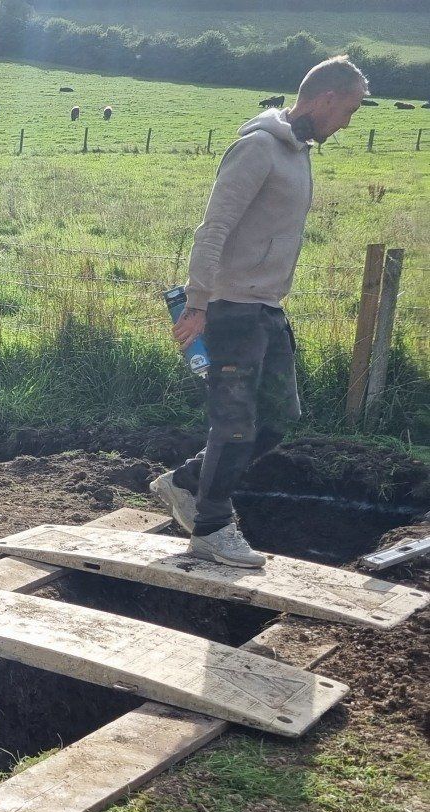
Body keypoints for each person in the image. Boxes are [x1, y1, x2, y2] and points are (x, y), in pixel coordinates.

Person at [150, 55, 369, 568]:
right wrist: (199, 302)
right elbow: (213, 230)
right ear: (326, 99)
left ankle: (185, 482)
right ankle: (211, 527)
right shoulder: (258, 147)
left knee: (278, 418)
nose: (350, 121)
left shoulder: (298, 152)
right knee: (235, 424)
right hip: (230, 309)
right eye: (350, 110)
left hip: (267, 307)